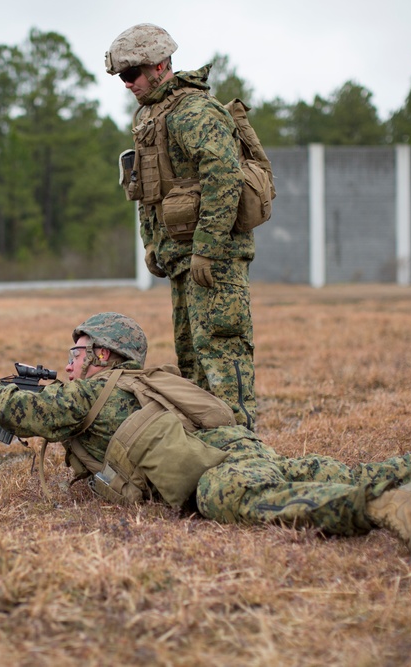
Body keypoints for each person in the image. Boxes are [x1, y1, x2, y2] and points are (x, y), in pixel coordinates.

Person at [0, 312, 411, 558]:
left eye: (76, 351)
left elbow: (28, 415)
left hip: (223, 469)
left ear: (100, 353)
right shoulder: (133, 383)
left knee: (232, 501)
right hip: (242, 447)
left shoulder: (92, 390)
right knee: (347, 469)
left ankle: (390, 504)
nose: (68, 360)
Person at [105, 24, 257, 429]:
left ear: (159, 65)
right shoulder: (153, 116)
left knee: (222, 356)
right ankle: (208, 445)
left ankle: (243, 449)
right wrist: (152, 244)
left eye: (131, 74)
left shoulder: (193, 112)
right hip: (182, 259)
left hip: (213, 260)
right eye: (121, 77)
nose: (127, 84)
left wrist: (207, 248)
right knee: (192, 361)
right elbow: (146, 189)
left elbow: (224, 178)